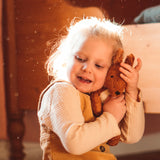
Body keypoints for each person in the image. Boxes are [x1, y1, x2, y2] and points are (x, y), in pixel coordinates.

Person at [37, 17, 145, 160]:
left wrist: (131, 92)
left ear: (111, 70)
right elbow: (74, 143)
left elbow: (132, 136)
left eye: (99, 66)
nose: (87, 68)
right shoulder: (61, 91)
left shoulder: (99, 96)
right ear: (65, 58)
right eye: (80, 59)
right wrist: (111, 117)